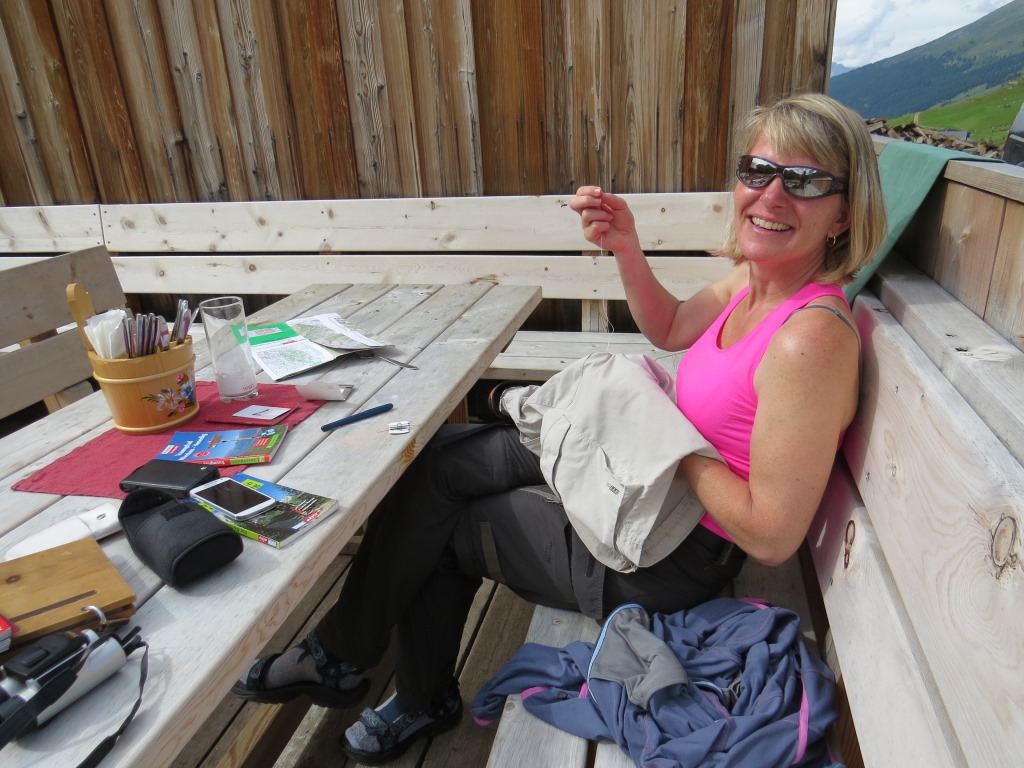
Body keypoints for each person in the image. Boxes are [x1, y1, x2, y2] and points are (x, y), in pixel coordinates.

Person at [230, 92, 887, 765]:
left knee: (446, 526)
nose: (772, 195)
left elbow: (772, 535)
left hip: (667, 555)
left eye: (805, 181)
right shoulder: (752, 281)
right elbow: (668, 327)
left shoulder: (808, 341)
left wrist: (667, 442)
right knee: (433, 460)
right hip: (642, 480)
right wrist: (626, 247)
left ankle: (396, 685)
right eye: (758, 171)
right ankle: (341, 656)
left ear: (844, 213)